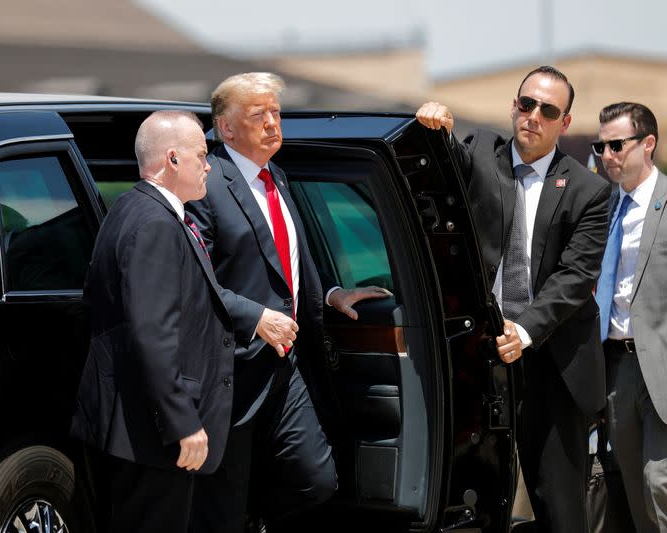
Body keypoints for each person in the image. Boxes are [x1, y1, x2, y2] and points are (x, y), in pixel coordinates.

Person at [186, 72, 389, 532]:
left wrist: (332, 294)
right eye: (259, 115)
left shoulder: (275, 174)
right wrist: (256, 316)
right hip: (230, 369)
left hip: (285, 364)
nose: (274, 123)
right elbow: (194, 281)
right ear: (227, 128)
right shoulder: (207, 183)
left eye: (276, 113)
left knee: (317, 479)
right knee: (222, 500)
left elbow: (287, 258)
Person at [416, 66, 611, 533]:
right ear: (514, 107)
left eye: (547, 110)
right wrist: (436, 127)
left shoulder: (589, 190)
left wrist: (523, 331)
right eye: (526, 104)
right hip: (480, 356)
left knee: (560, 510)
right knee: (473, 502)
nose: (533, 117)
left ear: (564, 123)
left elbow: (576, 276)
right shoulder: (481, 152)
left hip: (552, 359)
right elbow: (440, 174)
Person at [70, 110, 237, 533]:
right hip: (150, 436)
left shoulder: (129, 208)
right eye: (202, 155)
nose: (209, 166)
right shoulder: (156, 224)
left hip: (133, 427)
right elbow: (153, 333)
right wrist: (184, 422)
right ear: (173, 160)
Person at [595, 101, 667, 533]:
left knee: (658, 482)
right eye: (601, 147)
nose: (608, 156)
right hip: (616, 367)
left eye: (617, 145)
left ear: (649, 144)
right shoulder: (602, 209)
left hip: (660, 367)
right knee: (634, 491)